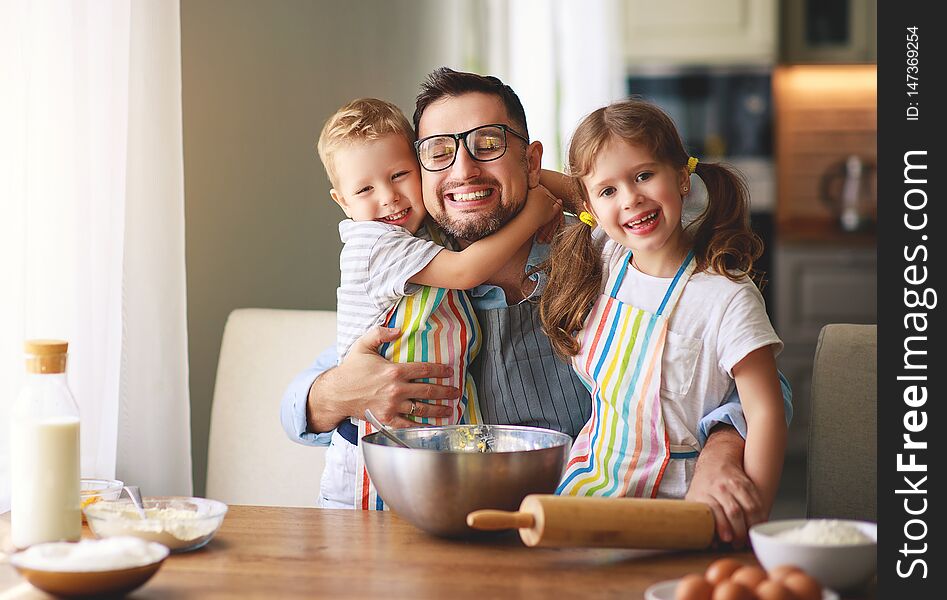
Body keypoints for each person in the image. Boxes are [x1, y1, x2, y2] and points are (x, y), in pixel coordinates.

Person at [281, 68, 791, 544]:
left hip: (576, 527)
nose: (463, 169)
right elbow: (301, 404)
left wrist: (721, 449)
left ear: (531, 161)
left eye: (488, 144)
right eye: (438, 153)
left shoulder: (609, 254)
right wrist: (337, 396)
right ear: (419, 171)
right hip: (443, 535)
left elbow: (752, 377)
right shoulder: (411, 270)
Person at [541, 98, 785, 516]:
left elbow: (765, 413)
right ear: (590, 208)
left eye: (644, 175)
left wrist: (753, 515)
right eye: (609, 191)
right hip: (587, 491)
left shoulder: (726, 297)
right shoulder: (605, 258)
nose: (631, 199)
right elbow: (537, 182)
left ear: (682, 178)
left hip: (679, 507)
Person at [316, 98, 559, 509]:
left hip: (435, 445)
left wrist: (534, 178)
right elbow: (466, 272)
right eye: (365, 190)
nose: (390, 198)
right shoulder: (375, 243)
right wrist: (536, 212)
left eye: (399, 176)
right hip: (374, 452)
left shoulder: (423, 232)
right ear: (342, 202)